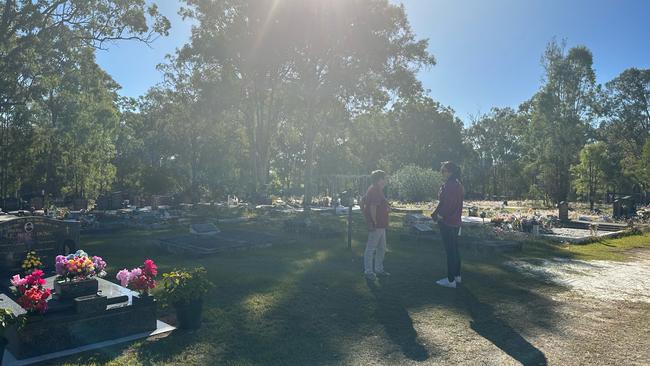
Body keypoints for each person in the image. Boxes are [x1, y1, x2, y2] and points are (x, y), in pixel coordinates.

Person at [431, 161, 464, 288]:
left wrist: (440, 216)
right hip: (455, 221)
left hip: (448, 222)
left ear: (450, 172)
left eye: (443, 170)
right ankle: (457, 276)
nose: (442, 173)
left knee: (450, 251)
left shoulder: (450, 185)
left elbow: (448, 204)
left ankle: (451, 280)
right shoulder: (457, 184)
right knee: (455, 249)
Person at [362, 170, 390, 280]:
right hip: (377, 224)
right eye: (384, 178)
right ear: (379, 179)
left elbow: (362, 201)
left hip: (381, 224)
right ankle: (368, 271)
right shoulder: (374, 190)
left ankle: (379, 269)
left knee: (382, 248)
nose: (386, 180)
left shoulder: (377, 189)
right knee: (371, 248)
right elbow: (373, 207)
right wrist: (373, 221)